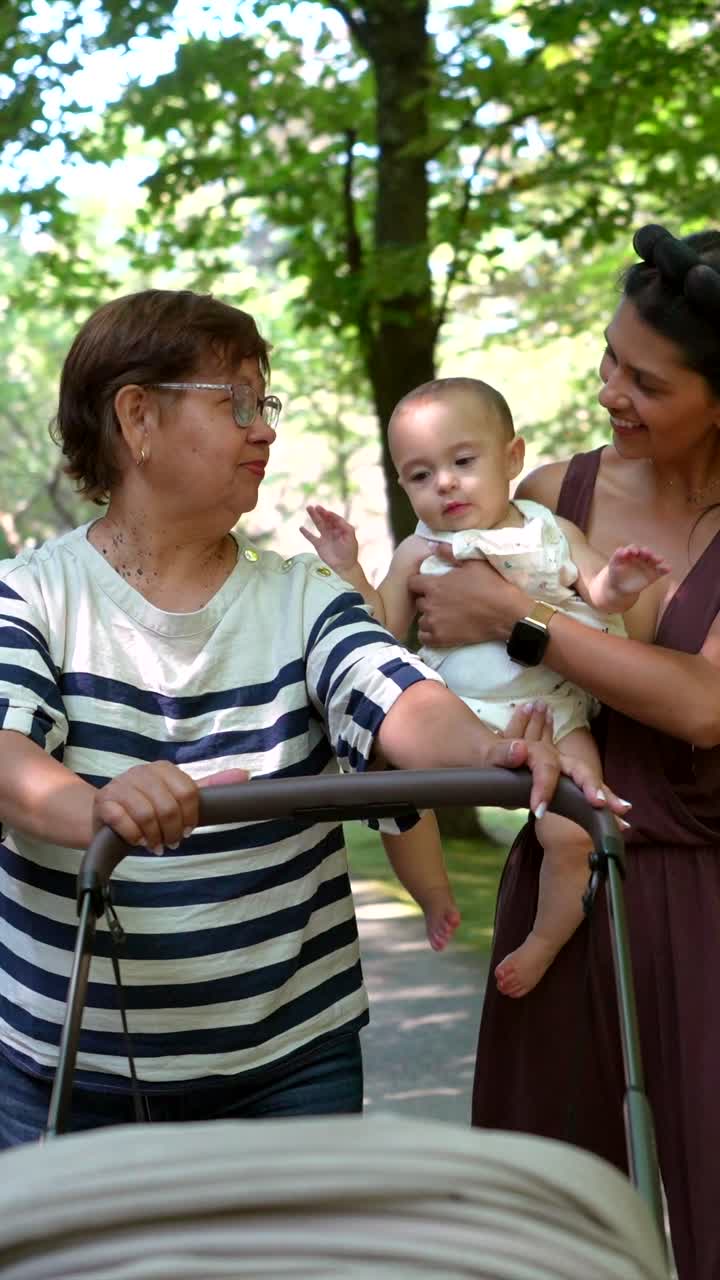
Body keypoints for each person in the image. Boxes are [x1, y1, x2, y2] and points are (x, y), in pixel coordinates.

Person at [0, 288, 624, 1150]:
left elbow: (399, 697)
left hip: (293, 1066)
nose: (266, 430)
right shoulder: (29, 596)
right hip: (72, 1070)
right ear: (137, 418)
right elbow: (9, 763)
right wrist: (100, 807)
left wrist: (492, 745)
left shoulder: (304, 596)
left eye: (270, 404)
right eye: (240, 404)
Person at [407, 225, 720, 1280]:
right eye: (606, 359)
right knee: (546, 1220)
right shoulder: (550, 490)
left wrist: (516, 614)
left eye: (647, 381)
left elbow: (704, 706)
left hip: (706, 905)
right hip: (564, 882)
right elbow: (435, 622)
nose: (608, 392)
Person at [302, 378, 664, 993]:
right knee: (388, 789)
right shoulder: (419, 550)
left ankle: (546, 938)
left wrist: (620, 584)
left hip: (554, 708)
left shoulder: (550, 530)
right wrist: (350, 570)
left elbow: (593, 591)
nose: (443, 483)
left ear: (512, 458)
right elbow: (381, 628)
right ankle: (433, 894)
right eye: (420, 475)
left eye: (462, 462)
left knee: (574, 830)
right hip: (453, 707)